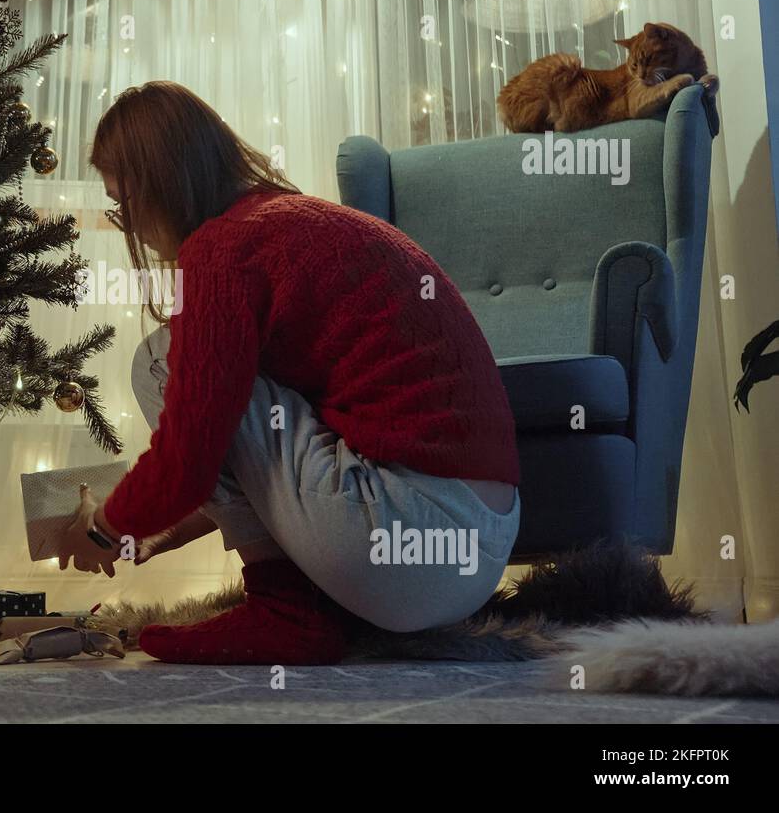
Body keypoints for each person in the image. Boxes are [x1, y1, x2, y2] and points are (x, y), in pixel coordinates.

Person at [57, 81, 521, 665]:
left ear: (158, 187)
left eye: (123, 203)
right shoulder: (289, 221)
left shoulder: (222, 251)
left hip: (402, 546)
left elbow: (191, 456)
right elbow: (272, 449)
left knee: (158, 358)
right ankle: (306, 606)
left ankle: (289, 613)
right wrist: (167, 526)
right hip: (482, 546)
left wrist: (103, 524)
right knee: (219, 376)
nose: (129, 223)